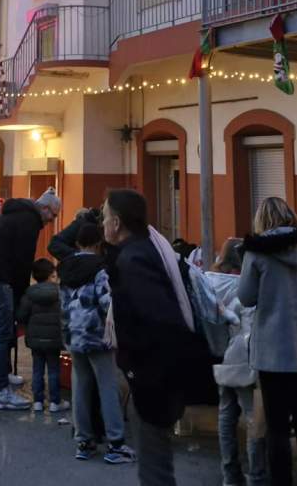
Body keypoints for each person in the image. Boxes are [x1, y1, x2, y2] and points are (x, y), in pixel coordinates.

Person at [104, 188, 214, 482]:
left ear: (116, 222)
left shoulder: (133, 260)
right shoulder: (145, 250)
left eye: (104, 217)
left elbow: (157, 318)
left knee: (154, 465)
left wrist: (139, 368)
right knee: (155, 460)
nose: (102, 224)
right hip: (156, 375)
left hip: (152, 377)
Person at [239, 197, 297, 486]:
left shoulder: (256, 253)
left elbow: (246, 297)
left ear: (261, 220)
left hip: (274, 353)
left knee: (277, 429)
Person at [0, 188, 60, 410]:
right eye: (53, 215)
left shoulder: (16, 215)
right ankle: (1, 391)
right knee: (2, 333)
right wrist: (21, 296)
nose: (52, 221)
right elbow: (23, 261)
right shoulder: (29, 222)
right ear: (44, 208)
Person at [59, 221, 131, 463]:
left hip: (74, 335)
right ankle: (115, 443)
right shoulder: (101, 269)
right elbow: (107, 303)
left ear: (77, 243)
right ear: (99, 243)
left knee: (80, 387)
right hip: (97, 335)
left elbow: (63, 305)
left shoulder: (65, 269)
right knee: (107, 386)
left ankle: (83, 441)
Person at [205, 238, 266, 486]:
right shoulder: (247, 287)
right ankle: (257, 476)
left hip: (226, 356)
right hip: (247, 357)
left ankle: (230, 475)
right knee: (254, 420)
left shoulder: (209, 282)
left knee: (226, 416)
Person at [17, 257, 66, 414]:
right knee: (54, 370)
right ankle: (55, 401)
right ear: (51, 275)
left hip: (35, 339)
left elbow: (22, 316)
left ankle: (38, 401)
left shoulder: (29, 294)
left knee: (37, 369)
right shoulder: (59, 293)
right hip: (54, 338)